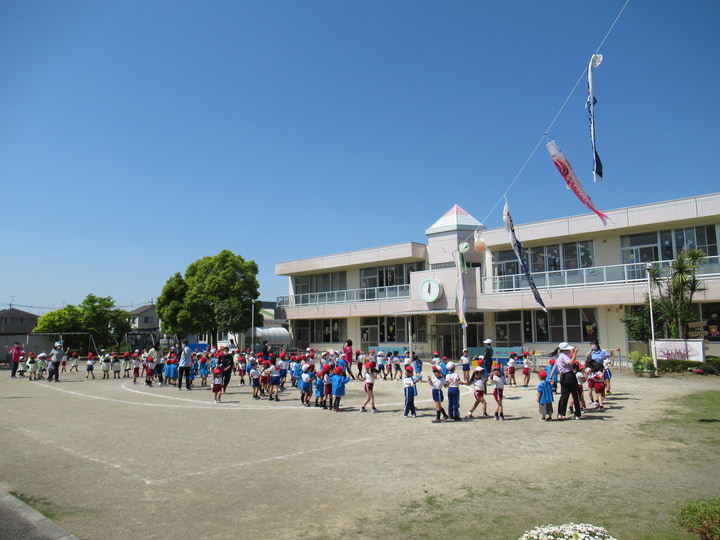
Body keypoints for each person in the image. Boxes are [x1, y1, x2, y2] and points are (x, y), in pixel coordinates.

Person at [548, 342, 582, 420]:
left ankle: (560, 413)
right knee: (575, 395)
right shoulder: (564, 356)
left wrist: (550, 377)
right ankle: (577, 414)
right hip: (569, 375)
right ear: (564, 350)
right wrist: (575, 354)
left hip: (563, 377)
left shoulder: (559, 357)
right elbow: (570, 362)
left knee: (564, 396)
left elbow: (554, 368)